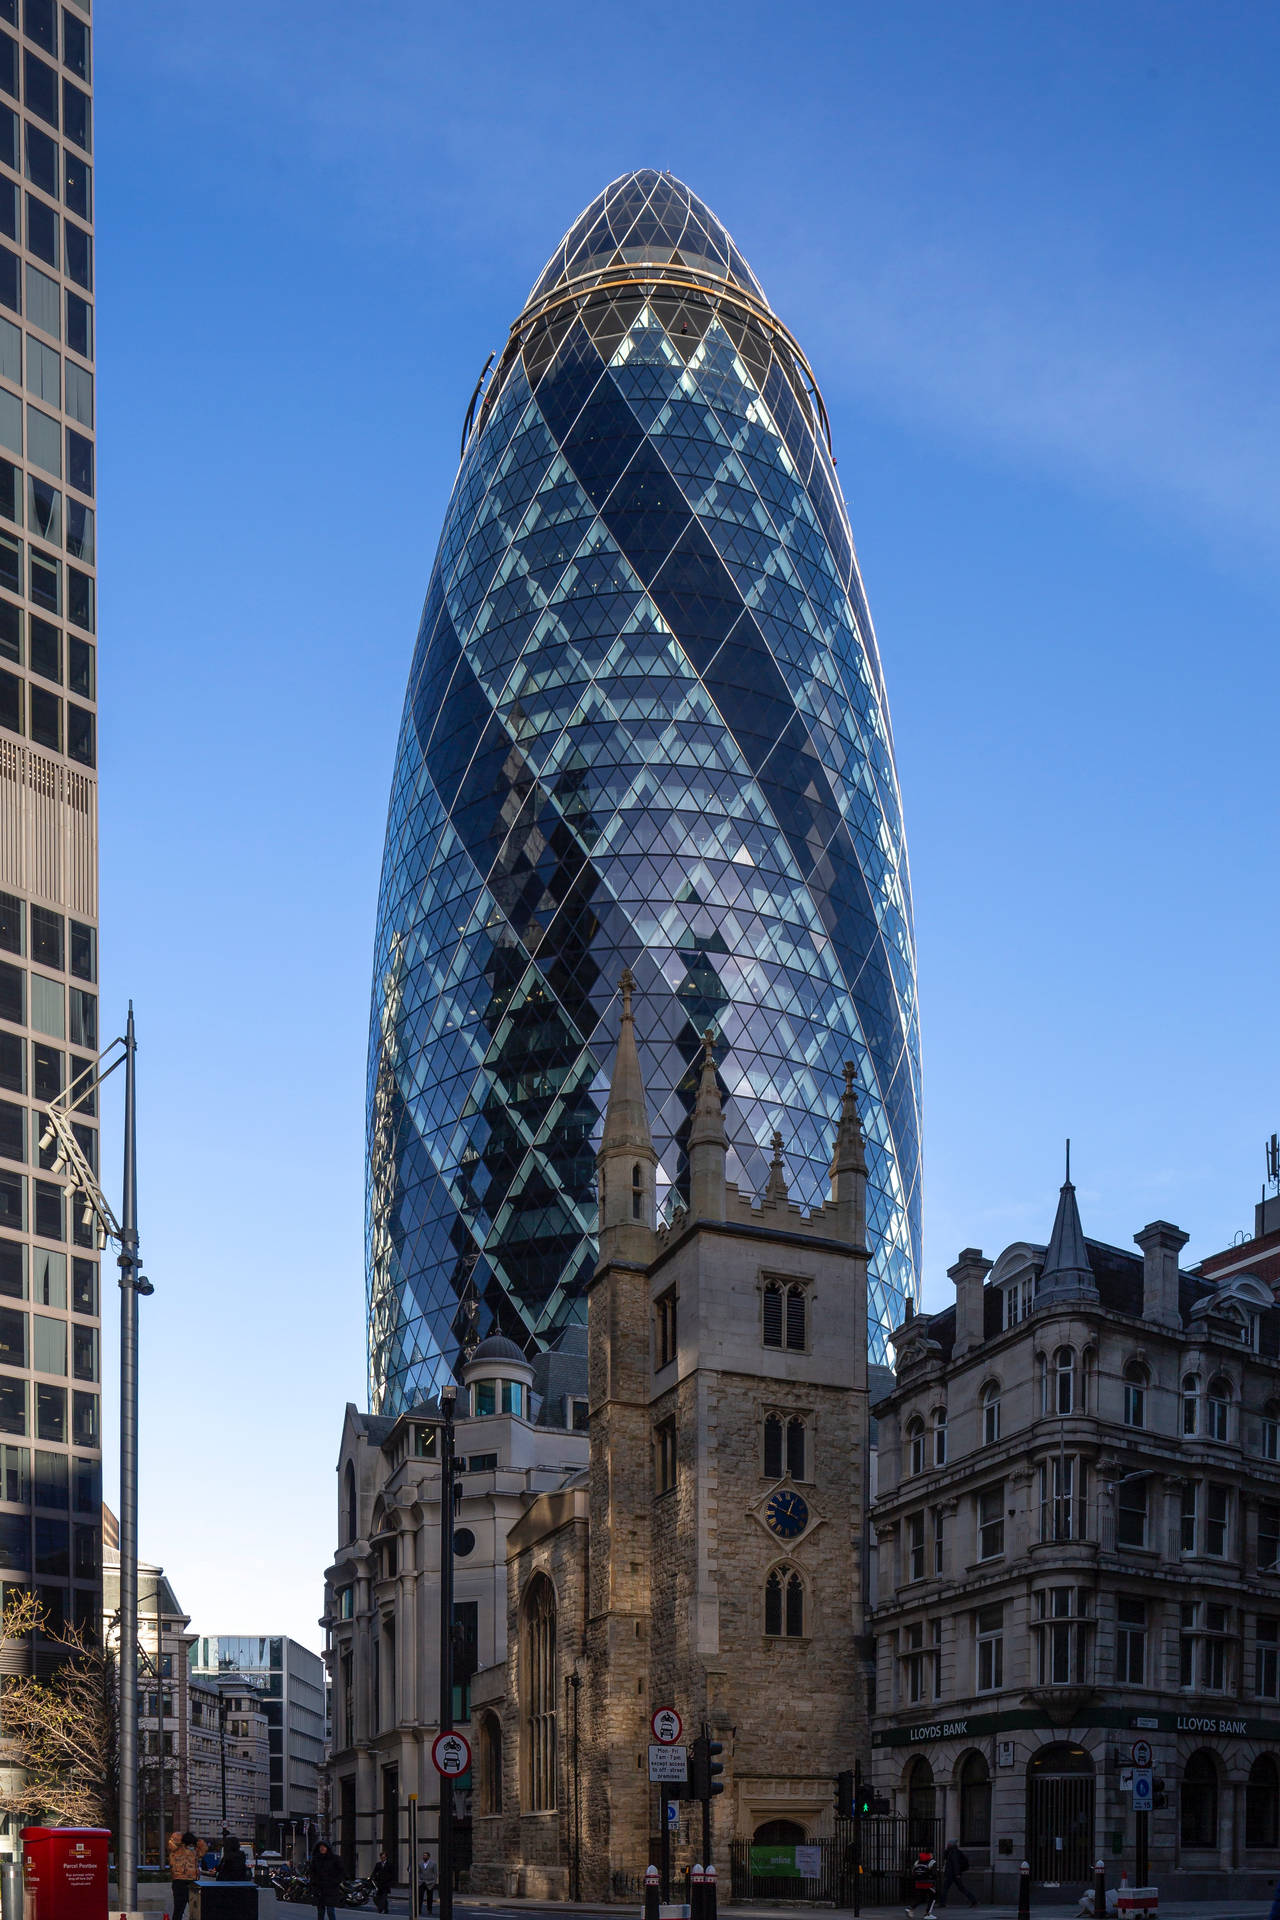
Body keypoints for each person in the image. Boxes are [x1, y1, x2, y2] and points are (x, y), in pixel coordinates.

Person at [168, 1832, 199, 1920]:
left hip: (178, 1882)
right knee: (195, 1909)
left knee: (178, 1909)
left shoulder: (174, 1850)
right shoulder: (193, 1851)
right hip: (191, 1882)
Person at [311, 1841, 344, 1920]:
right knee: (320, 1911)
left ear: (327, 1848)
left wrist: (335, 1881)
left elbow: (342, 1871)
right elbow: (312, 1872)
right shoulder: (315, 1859)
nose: (322, 1848)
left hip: (331, 1888)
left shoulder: (335, 1858)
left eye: (324, 1847)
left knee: (330, 1911)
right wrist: (314, 1883)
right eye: (320, 1847)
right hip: (319, 1888)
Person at [938, 1840, 976, 1909]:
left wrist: (957, 1874)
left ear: (951, 1845)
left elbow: (956, 1864)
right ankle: (973, 1901)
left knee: (945, 1888)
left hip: (952, 1874)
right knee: (961, 1888)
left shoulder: (954, 1852)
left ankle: (942, 1903)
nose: (947, 1845)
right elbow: (945, 1857)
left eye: (948, 1844)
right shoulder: (951, 1851)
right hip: (953, 1874)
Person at [906, 1844, 937, 1919]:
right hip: (928, 1883)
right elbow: (934, 1874)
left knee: (921, 1898)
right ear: (930, 1853)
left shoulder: (917, 1861)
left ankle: (910, 1908)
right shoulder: (932, 1862)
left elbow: (913, 1872)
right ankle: (928, 1914)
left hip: (918, 1883)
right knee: (932, 1897)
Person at [371, 1850, 392, 1915]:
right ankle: (385, 1909)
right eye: (381, 1857)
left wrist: (390, 1881)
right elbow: (374, 1872)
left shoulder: (389, 1864)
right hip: (379, 1884)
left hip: (386, 1884)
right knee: (377, 1898)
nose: (382, 1858)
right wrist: (372, 1878)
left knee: (384, 1897)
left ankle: (380, 1908)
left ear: (386, 1857)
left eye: (384, 1857)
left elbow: (392, 1874)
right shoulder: (378, 1864)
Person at [418, 1852, 439, 1916]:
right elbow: (418, 1872)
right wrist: (419, 1880)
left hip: (430, 1883)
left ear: (428, 1857)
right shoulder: (420, 1863)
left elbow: (435, 1874)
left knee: (429, 1898)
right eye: (423, 1856)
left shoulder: (433, 1863)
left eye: (425, 1856)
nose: (424, 1857)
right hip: (421, 1883)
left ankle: (429, 1910)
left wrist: (434, 1882)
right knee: (420, 1897)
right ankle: (419, 1910)